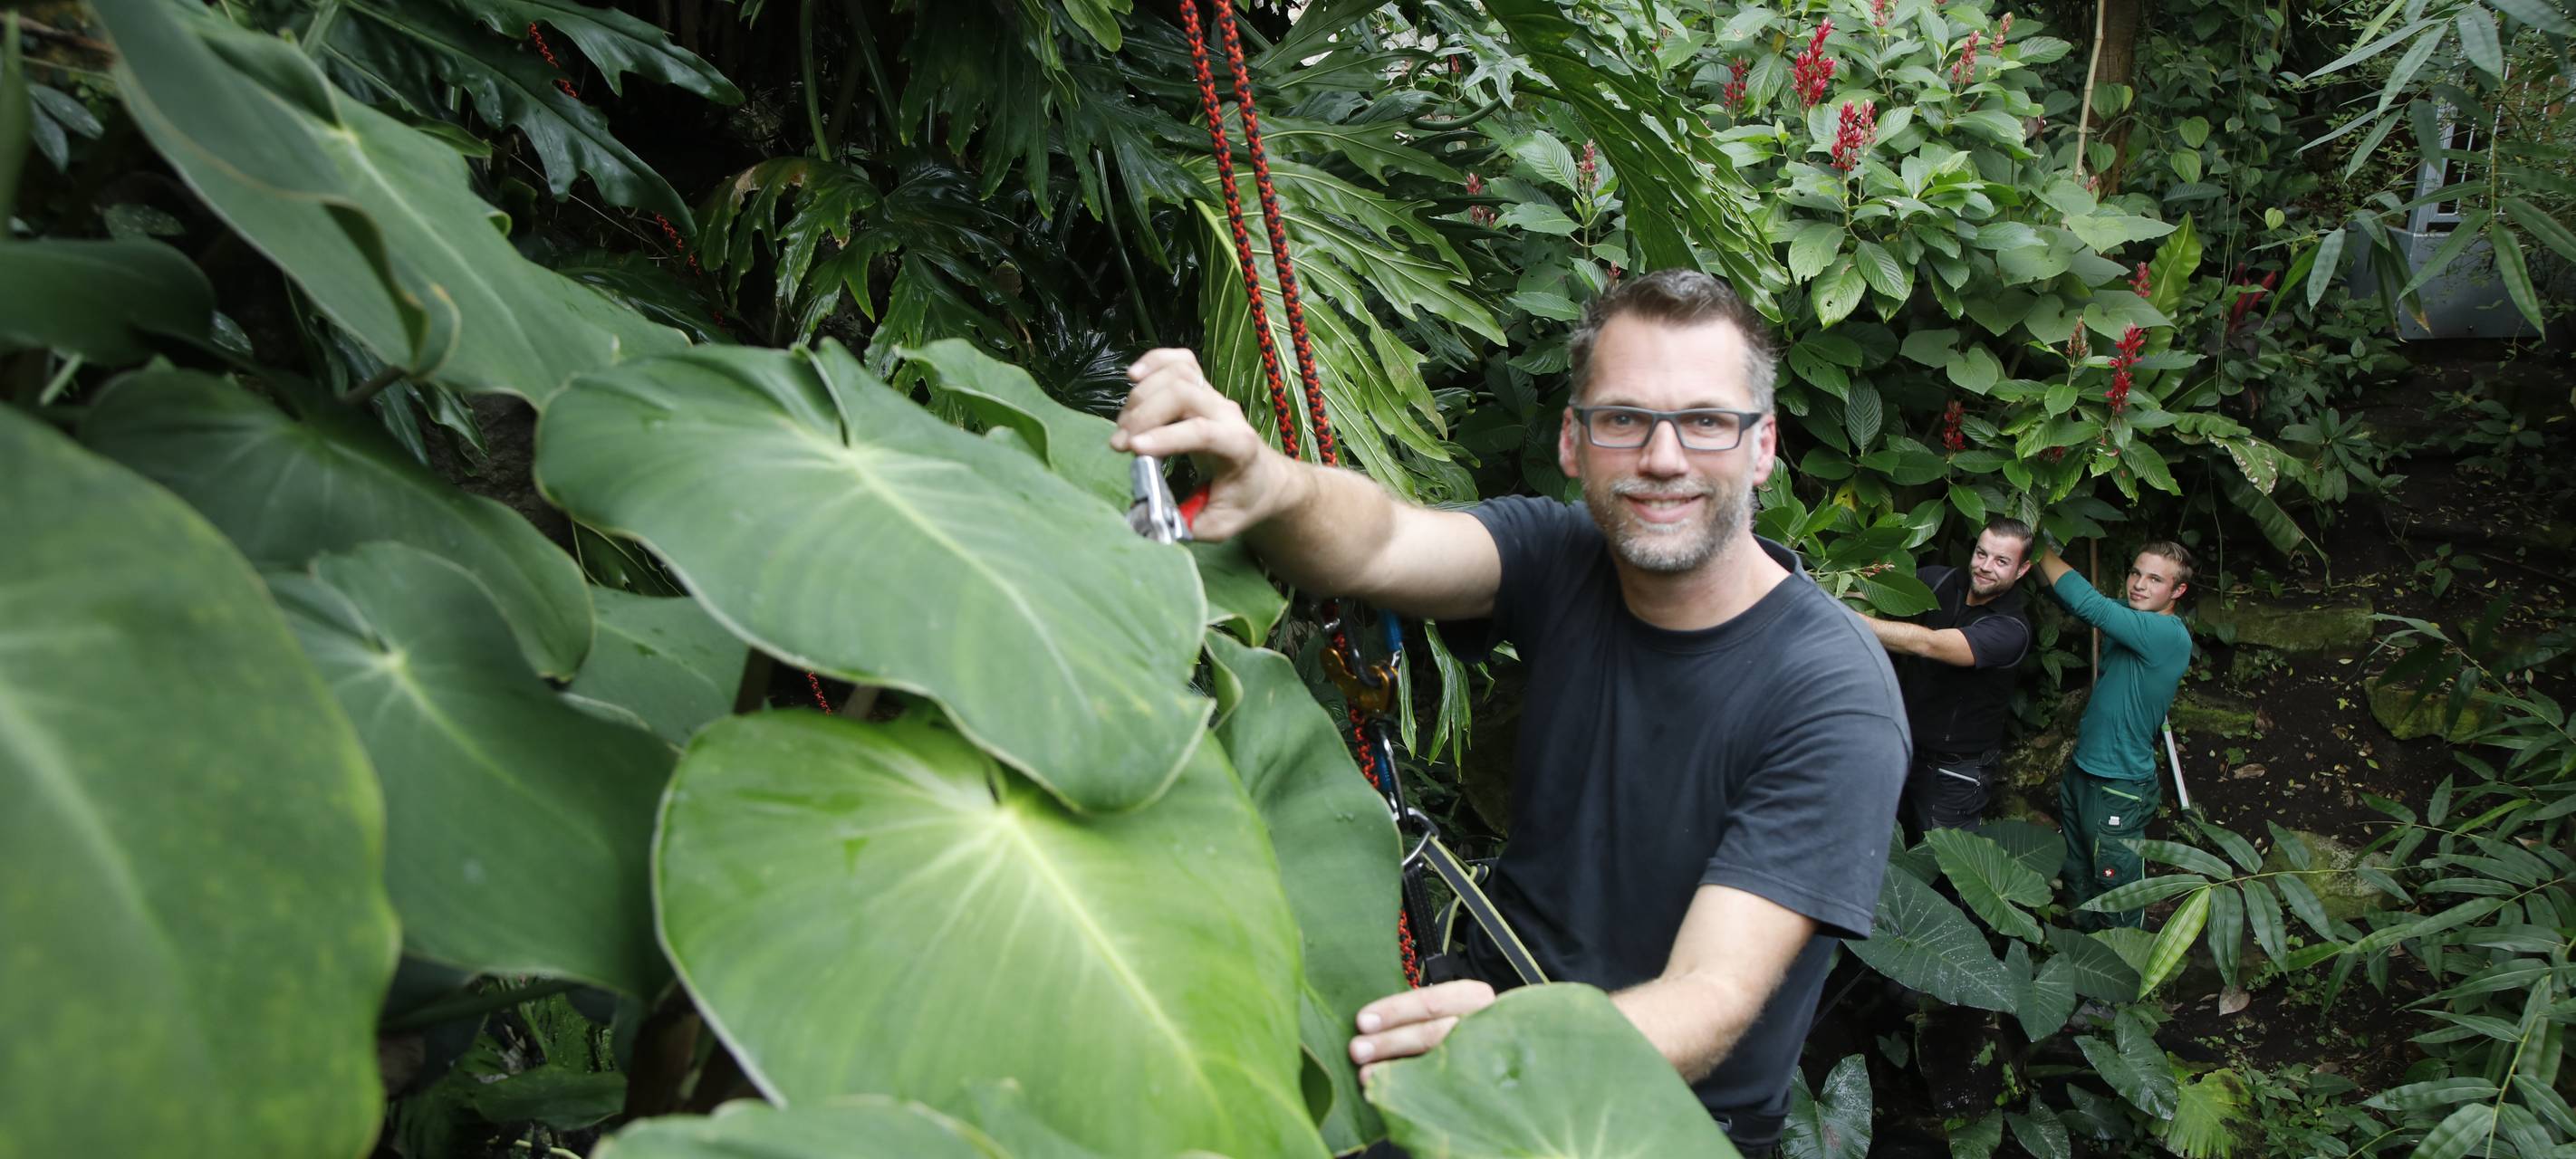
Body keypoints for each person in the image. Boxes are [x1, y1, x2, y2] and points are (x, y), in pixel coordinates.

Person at [1110, 270, 1907, 1157]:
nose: (1663, 457)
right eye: (1624, 418)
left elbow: (1709, 997)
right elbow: (1381, 542)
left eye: (1707, 421)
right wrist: (1271, 481)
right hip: (1474, 1017)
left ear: (1763, 448)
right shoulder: (1564, 557)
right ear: (1573, 441)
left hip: (1643, 1118)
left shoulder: (1832, 694)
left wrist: (1506, 1048)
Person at [2034, 540, 2195, 928]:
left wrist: (2035, 544)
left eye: (2155, 579)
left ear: (2178, 591)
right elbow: (2071, 599)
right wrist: (2026, 560)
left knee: (2114, 887)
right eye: (2136, 572)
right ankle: (2084, 953)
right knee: (2076, 871)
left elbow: (2091, 605)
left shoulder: (2165, 633)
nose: (2139, 584)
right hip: (2083, 771)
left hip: (2119, 784)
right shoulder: (2134, 616)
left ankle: (2124, 961)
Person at [1852, 518, 2037, 838]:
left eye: (2001, 561)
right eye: (1981, 554)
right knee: (1876, 842)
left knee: (1942, 861)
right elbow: (1874, 594)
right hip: (1899, 748)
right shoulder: (1939, 580)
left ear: (2022, 570)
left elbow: (1929, 644)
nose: (1985, 567)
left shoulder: (2011, 629)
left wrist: (1848, 619)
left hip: (1953, 772)